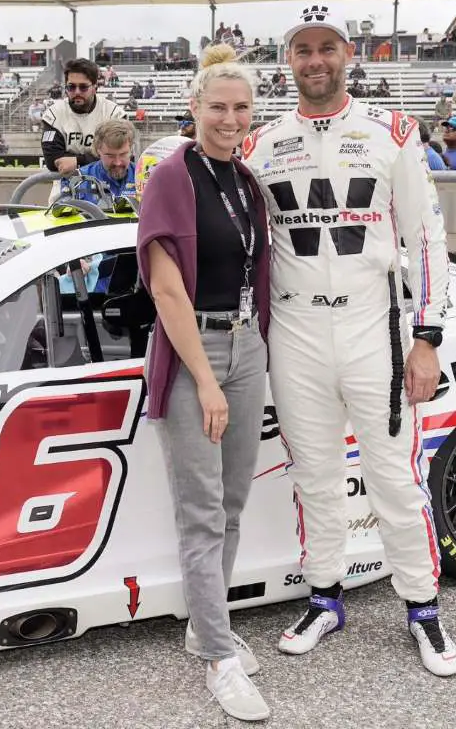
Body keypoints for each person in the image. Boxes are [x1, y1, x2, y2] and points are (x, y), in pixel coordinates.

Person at [243, 3, 456, 678]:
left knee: (395, 476)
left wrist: (426, 335)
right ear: (290, 62)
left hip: (374, 326)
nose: (315, 61)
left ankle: (422, 608)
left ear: (347, 56)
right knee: (315, 478)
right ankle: (326, 596)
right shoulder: (260, 142)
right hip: (297, 329)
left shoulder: (393, 130)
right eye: (303, 50)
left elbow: (426, 238)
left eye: (326, 48)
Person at [136, 43, 272, 722]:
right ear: (194, 109)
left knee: (233, 506)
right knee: (200, 512)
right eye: (218, 107)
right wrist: (206, 380)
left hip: (248, 347)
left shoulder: (244, 180)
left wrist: (252, 357)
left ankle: (204, 628)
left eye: (241, 107)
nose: (230, 117)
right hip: (197, 352)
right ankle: (219, 658)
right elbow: (165, 288)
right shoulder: (172, 176)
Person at [41, 57, 124, 185]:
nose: (77, 92)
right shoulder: (53, 115)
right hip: (65, 192)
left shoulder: (113, 114)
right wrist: (98, 157)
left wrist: (76, 161)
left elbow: (119, 156)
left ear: (95, 87)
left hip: (108, 189)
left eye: (83, 87)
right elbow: (53, 161)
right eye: (71, 87)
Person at [57, 119, 136, 205]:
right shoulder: (76, 180)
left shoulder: (146, 178)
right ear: (98, 151)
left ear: (131, 149)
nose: (117, 162)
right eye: (110, 155)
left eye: (123, 154)